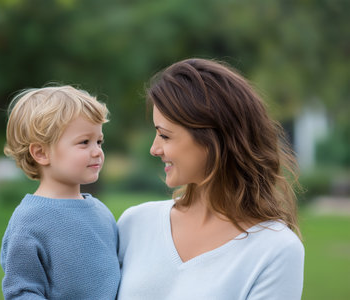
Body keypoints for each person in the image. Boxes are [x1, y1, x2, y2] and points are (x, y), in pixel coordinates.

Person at [117, 58, 305, 300]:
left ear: (211, 138)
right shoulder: (135, 224)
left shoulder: (276, 249)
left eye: (165, 136)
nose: (154, 149)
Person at [0, 85, 120, 299]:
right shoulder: (29, 221)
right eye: (84, 142)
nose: (97, 151)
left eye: (99, 141)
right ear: (41, 153)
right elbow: (22, 291)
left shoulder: (102, 212)